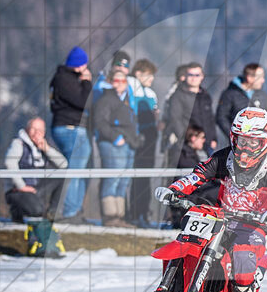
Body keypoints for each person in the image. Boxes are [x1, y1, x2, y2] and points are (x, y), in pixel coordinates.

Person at [156, 107, 267, 292]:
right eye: (242, 141)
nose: (246, 148)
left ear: (264, 141)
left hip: (253, 224)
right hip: (222, 217)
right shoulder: (225, 157)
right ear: (233, 138)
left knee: (242, 255)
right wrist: (175, 190)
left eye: (253, 143)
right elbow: (198, 175)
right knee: (191, 241)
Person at [49, 46, 93, 223]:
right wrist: (87, 82)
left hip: (73, 128)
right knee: (75, 171)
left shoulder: (65, 78)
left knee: (80, 171)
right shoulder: (64, 79)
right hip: (70, 128)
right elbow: (84, 101)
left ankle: (76, 211)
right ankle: (69, 212)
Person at [92, 70, 141, 227]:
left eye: (122, 81)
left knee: (123, 180)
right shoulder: (106, 99)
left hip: (128, 145)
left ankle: (120, 216)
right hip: (112, 144)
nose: (118, 83)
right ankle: (110, 216)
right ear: (110, 81)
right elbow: (100, 122)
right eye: (115, 80)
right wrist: (115, 137)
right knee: (112, 178)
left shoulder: (127, 100)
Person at [5, 117, 67, 222]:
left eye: (40, 130)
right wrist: (22, 186)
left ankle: (53, 212)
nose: (36, 133)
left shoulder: (44, 145)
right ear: (27, 129)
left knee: (62, 175)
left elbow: (63, 164)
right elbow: (9, 163)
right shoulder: (19, 143)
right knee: (37, 211)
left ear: (44, 132)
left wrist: (47, 149)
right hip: (18, 190)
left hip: (36, 187)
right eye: (33, 129)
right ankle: (16, 210)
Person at [162, 62, 216, 158]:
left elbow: (210, 119)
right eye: (190, 75)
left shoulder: (205, 96)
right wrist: (188, 139)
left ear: (202, 76)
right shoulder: (177, 96)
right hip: (186, 146)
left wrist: (213, 138)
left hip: (206, 144)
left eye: (197, 75)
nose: (193, 78)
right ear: (186, 76)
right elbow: (175, 119)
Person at [216, 62, 267, 145]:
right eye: (260, 77)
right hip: (238, 146)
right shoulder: (229, 94)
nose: (263, 80)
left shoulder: (261, 95)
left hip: (259, 144)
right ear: (250, 78)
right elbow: (221, 117)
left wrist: (259, 128)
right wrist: (235, 136)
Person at [129, 59, 159, 225]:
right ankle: (134, 212)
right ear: (138, 73)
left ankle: (144, 212)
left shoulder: (150, 93)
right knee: (137, 176)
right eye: (149, 75)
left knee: (146, 176)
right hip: (139, 136)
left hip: (151, 137)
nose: (152, 79)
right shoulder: (132, 86)